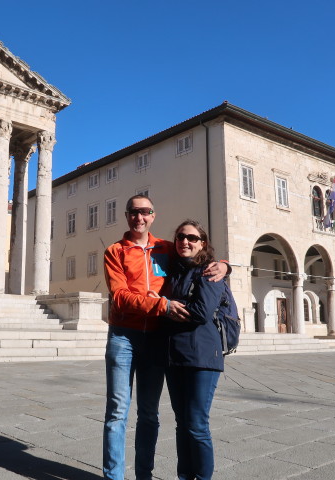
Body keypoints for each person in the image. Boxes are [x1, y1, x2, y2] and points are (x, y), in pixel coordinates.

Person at [103, 195, 228, 480]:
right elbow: (120, 297)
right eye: (134, 212)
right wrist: (163, 305)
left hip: (157, 337)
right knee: (117, 412)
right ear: (127, 216)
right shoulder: (115, 251)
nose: (140, 217)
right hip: (124, 334)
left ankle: (143, 475)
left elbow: (197, 254)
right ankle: (113, 477)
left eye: (145, 212)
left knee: (149, 413)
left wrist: (224, 265)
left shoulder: (166, 248)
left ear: (153, 216)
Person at [159, 220, 227, 480]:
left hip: (202, 358)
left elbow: (201, 312)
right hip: (175, 356)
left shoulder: (209, 271)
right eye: (179, 237)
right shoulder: (175, 271)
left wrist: (167, 307)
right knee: (181, 424)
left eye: (191, 237)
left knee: (197, 424)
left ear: (202, 243)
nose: (184, 242)